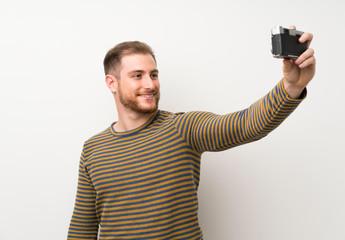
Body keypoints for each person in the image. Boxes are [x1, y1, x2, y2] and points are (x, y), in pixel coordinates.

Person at [67, 26, 315, 240]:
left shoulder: (183, 128)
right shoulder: (93, 149)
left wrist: (291, 86)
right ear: (112, 83)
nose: (150, 84)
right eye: (137, 76)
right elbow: (82, 229)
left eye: (154, 74)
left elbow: (248, 124)